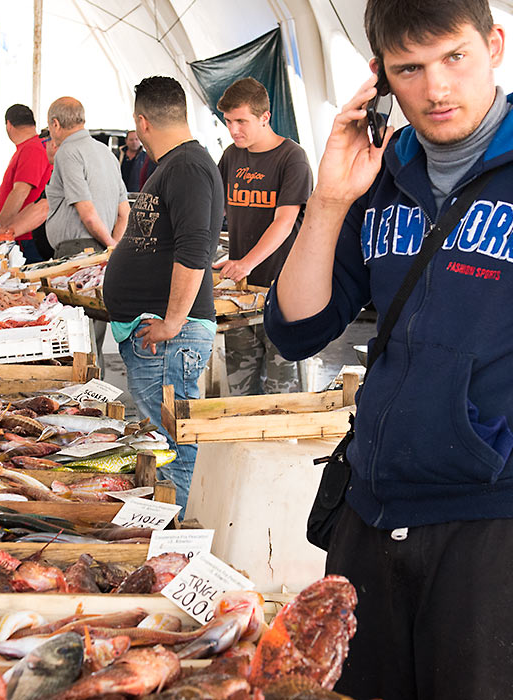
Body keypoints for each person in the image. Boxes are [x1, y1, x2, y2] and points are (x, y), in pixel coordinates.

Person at [266, 1, 513, 697]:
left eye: (454, 58)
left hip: (489, 522)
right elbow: (298, 328)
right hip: (370, 511)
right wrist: (332, 199)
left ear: (494, 44)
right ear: (381, 80)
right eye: (410, 69)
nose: (436, 89)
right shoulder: (379, 175)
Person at [103, 76, 223, 511]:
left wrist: (172, 322)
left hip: (173, 337)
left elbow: (194, 249)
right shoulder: (175, 165)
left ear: (142, 122)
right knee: (166, 440)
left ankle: (178, 534)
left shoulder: (188, 167)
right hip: (161, 334)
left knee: (175, 444)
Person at [214, 77, 313, 395]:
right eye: (228, 121)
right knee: (239, 387)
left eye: (241, 121)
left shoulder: (291, 158)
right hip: (241, 296)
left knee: (281, 393)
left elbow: (284, 222)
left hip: (284, 295)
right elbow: (213, 210)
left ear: (264, 117)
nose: (233, 130)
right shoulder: (231, 156)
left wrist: (245, 262)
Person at [46, 96, 130, 366]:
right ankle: (96, 399)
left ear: (56, 124)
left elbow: (86, 211)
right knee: (93, 335)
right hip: (100, 252)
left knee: (77, 342)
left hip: (76, 255)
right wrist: (112, 246)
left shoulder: (68, 153)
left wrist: (110, 245)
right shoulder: (106, 152)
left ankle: (86, 403)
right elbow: (124, 212)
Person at [0, 104, 52, 263]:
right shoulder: (27, 148)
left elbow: (21, 192)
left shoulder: (32, 149)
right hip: (18, 233)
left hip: (24, 237)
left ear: (8, 125)